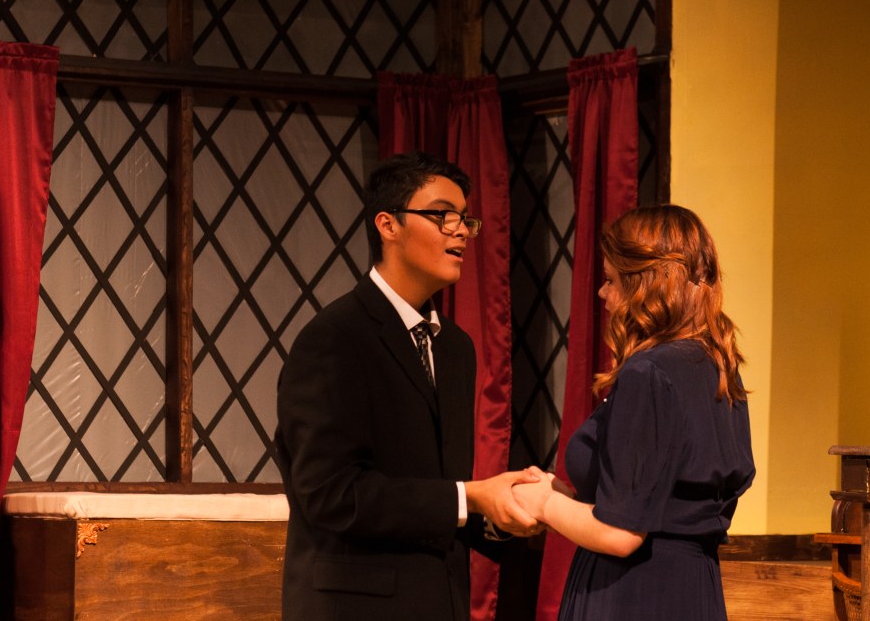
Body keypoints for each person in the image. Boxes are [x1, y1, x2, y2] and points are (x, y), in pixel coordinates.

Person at [275, 152, 541, 621]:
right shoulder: (334, 338)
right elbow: (331, 494)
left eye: (465, 219)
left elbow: (435, 492)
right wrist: (470, 496)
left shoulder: (455, 347)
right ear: (388, 225)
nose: (460, 231)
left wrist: (504, 513)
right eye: (442, 215)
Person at [514, 204, 756, 620]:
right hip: (692, 591)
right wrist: (565, 498)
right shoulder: (719, 367)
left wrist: (541, 503)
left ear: (645, 286)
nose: (601, 293)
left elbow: (621, 534)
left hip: (632, 594)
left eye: (610, 280)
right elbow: (667, 504)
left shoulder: (649, 373)